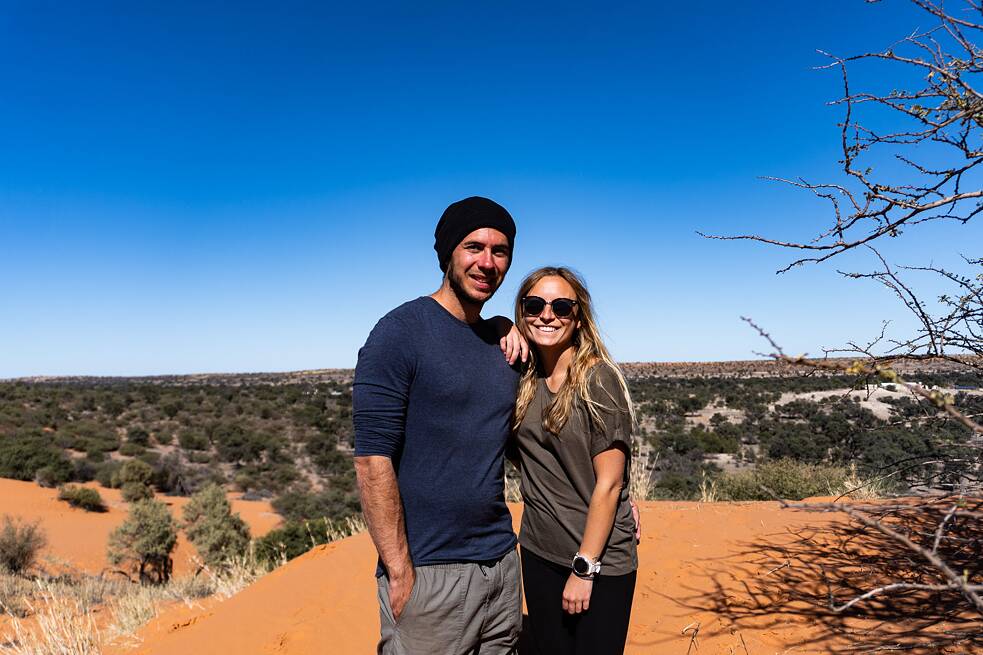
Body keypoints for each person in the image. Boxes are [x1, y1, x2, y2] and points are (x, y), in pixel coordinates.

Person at [352, 196, 527, 655]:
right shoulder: (400, 333)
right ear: (448, 253)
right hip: (431, 574)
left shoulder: (503, 344)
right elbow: (372, 460)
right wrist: (399, 569)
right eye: (473, 247)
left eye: (500, 250)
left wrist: (619, 494)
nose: (487, 262)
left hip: (502, 566)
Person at [511, 266, 638, 654]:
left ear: (577, 315)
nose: (547, 315)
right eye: (535, 305)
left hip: (595, 561)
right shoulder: (522, 376)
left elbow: (609, 482)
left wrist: (584, 568)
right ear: (522, 311)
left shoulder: (598, 379)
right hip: (537, 550)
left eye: (561, 306)